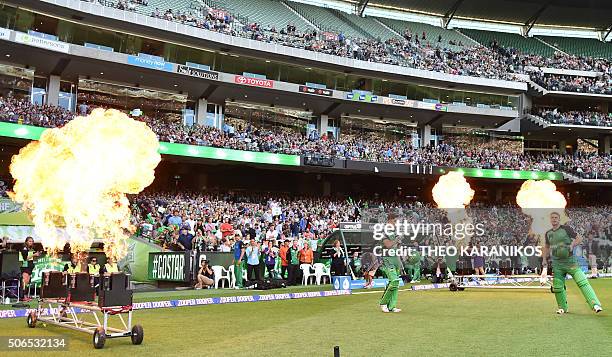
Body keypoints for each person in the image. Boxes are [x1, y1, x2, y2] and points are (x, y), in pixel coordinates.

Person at [543, 212, 602, 314]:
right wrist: (544, 259)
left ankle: (595, 304)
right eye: (552, 217)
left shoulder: (566, 229)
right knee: (557, 286)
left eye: (556, 217)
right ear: (550, 219)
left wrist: (572, 244)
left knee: (582, 281)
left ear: (559, 219)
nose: (554, 219)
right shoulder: (548, 233)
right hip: (557, 264)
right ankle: (562, 308)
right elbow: (547, 247)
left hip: (570, 262)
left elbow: (579, 238)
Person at [379, 236, 402, 313]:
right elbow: (388, 245)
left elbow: (397, 252)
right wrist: (396, 240)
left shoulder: (396, 238)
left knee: (395, 284)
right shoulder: (385, 236)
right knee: (394, 281)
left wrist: (399, 264)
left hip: (395, 264)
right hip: (388, 263)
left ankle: (392, 306)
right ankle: (383, 303)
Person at [19, 237, 40, 301]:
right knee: (24, 282)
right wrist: (34, 255)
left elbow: (31, 258)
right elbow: (25, 258)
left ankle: (25, 296)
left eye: (32, 241)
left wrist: (36, 255)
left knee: (27, 282)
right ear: (26, 242)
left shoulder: (31, 249)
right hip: (25, 267)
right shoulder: (24, 248)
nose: (31, 242)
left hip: (29, 267)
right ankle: (22, 297)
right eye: (30, 241)